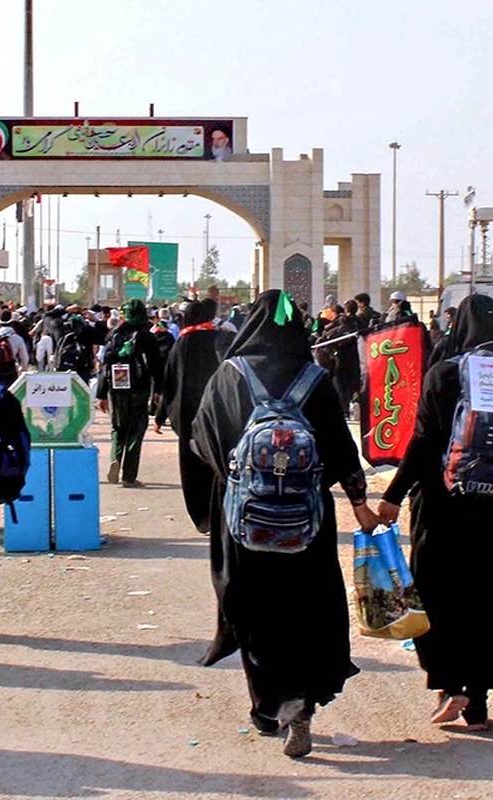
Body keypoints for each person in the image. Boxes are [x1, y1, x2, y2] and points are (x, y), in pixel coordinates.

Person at [192, 290, 377, 757]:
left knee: (256, 610)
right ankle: (304, 702)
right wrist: (360, 506)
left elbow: (203, 441)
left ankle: (269, 703)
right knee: (305, 608)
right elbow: (340, 449)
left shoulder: (229, 376)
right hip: (306, 522)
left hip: (245, 521)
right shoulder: (314, 378)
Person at [377, 294, 493, 730]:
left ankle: (467, 695)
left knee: (453, 600)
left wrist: (393, 494)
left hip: (451, 513)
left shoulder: (445, 374)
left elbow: (424, 445)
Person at [154, 299, 234, 532]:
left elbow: (169, 383)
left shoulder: (181, 344)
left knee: (192, 466)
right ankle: (220, 512)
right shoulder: (220, 340)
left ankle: (201, 516)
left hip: (187, 418)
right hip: (217, 416)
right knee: (217, 462)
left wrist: (160, 417)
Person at [97, 299, 164, 487]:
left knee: (118, 427)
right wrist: (158, 390)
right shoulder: (147, 337)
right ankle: (129, 476)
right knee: (136, 429)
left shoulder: (113, 334)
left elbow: (105, 365)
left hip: (116, 389)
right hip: (139, 389)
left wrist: (102, 395)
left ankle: (115, 457)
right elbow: (156, 366)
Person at [0, 309, 29, 386]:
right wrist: (23, 369)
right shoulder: (17, 338)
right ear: (11, 323)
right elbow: (25, 358)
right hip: (11, 371)